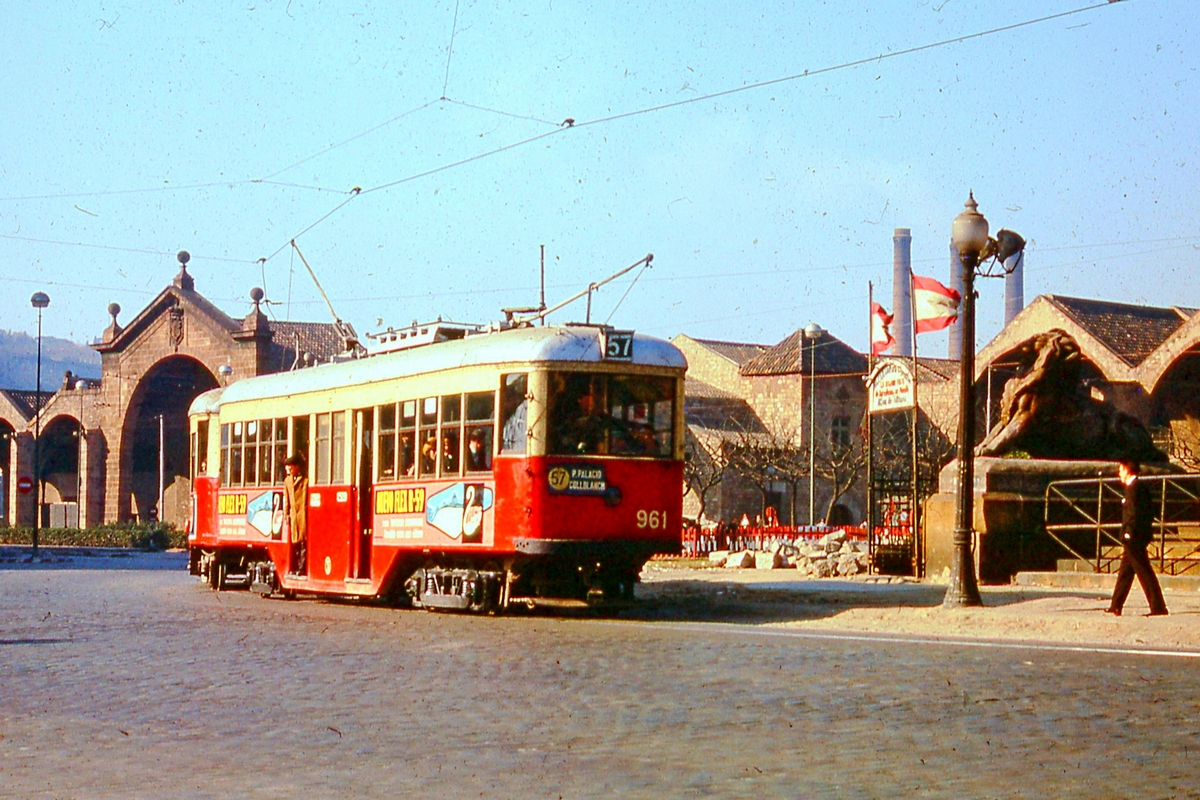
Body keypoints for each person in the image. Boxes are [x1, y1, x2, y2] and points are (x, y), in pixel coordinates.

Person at [1107, 460, 1168, 616]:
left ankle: (1158, 607)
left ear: (1127, 470)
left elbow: (1133, 513)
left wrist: (1129, 532)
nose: (1119, 473)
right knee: (1125, 573)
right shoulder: (1136, 488)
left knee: (1144, 572)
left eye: (1121, 469)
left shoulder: (1134, 488)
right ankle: (1116, 605)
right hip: (1137, 536)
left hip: (1134, 537)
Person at [282, 453, 308, 577]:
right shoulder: (287, 481)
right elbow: (286, 499)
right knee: (295, 542)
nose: (289, 471)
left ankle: (302, 568)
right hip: (294, 516)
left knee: (303, 542)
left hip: (303, 514)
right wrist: (286, 514)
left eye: (291, 468)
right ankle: (297, 566)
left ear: (297, 467)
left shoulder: (305, 480)